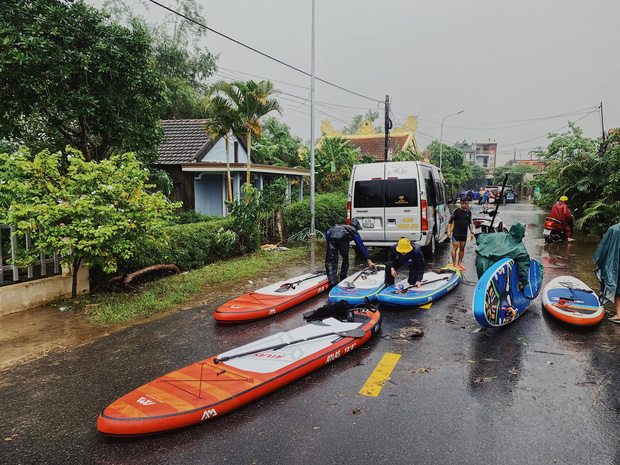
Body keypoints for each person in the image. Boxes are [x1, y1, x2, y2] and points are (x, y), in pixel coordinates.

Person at [476, 223, 531, 290]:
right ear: (522, 235)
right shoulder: (520, 249)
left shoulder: (500, 235)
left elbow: (480, 238)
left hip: (481, 263)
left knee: (482, 287)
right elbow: (523, 268)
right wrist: (524, 283)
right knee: (492, 288)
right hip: (494, 269)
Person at [325, 218, 376, 286]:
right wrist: (368, 259)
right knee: (345, 259)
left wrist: (329, 243)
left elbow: (328, 232)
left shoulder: (337, 226)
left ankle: (331, 280)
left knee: (330, 260)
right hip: (342, 241)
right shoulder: (353, 230)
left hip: (332, 239)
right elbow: (360, 245)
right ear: (356, 226)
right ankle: (343, 277)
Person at [592, 222, 620, 323]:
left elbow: (604, 248)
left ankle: (619, 314)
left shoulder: (614, 229)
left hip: (615, 263)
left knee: (616, 287)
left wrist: (600, 262)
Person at [447, 199, 475, 270]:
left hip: (464, 232)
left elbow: (470, 223)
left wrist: (472, 232)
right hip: (456, 232)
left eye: (466, 203)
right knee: (455, 247)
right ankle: (454, 264)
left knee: (462, 248)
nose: (464, 205)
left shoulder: (468, 212)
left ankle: (460, 263)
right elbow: (450, 222)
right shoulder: (456, 211)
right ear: (460, 203)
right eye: (463, 203)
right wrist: (448, 232)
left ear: (468, 203)